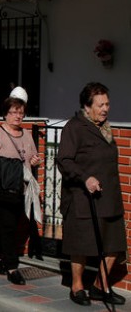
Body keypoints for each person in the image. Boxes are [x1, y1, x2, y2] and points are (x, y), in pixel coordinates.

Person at [57, 83, 126, 306]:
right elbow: (64, 160)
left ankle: (99, 286)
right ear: (87, 107)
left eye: (107, 104)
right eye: (100, 105)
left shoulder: (105, 128)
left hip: (109, 197)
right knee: (81, 245)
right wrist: (85, 177)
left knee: (115, 244)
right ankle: (77, 286)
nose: (106, 108)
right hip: (81, 198)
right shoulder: (74, 127)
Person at [0, 94, 41, 285]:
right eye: (13, 112)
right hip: (2, 190)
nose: (17, 116)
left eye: (20, 113)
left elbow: (31, 157)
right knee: (8, 228)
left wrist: (34, 161)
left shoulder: (27, 135)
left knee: (7, 228)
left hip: (20, 191)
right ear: (5, 114)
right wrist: (2, 166)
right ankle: (12, 268)